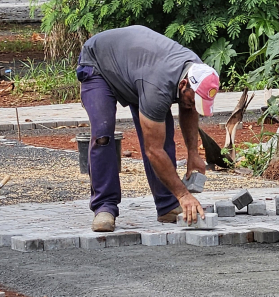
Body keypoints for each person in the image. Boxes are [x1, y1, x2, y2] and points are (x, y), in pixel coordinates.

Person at [76, 25, 220, 232]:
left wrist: (193, 152)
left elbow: (188, 108)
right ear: (183, 85)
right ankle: (104, 206)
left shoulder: (198, 71)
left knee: (164, 136)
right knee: (103, 134)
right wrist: (184, 194)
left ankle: (167, 206)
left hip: (136, 70)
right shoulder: (158, 87)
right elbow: (153, 150)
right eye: (193, 100)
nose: (193, 105)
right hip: (99, 64)